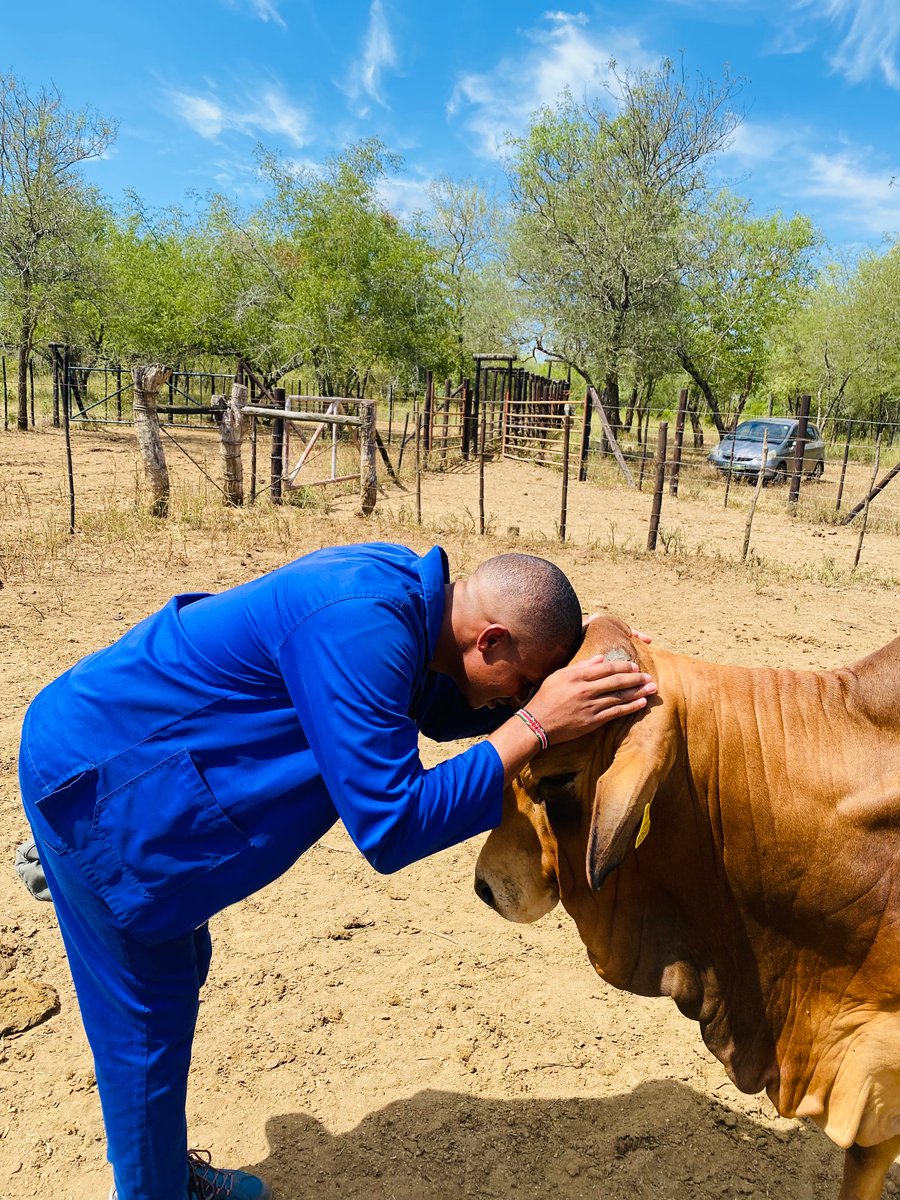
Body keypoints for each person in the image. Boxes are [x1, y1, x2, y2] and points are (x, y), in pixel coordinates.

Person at [19, 541, 656, 1200]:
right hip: (99, 780)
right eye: (524, 681)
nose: (521, 697)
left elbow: (432, 705)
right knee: (145, 1019)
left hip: (137, 751)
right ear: (491, 640)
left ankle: (162, 1168)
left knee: (179, 965)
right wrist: (535, 725)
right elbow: (391, 826)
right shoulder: (363, 625)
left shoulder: (411, 604)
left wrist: (577, 675)